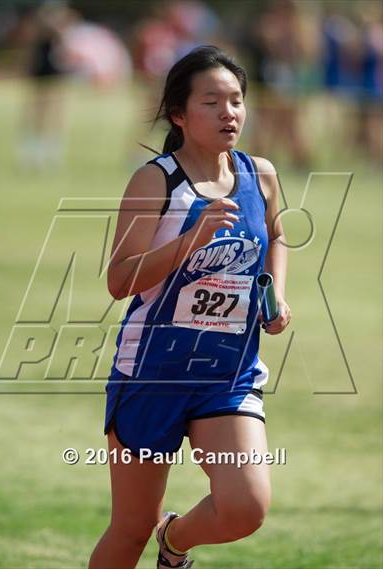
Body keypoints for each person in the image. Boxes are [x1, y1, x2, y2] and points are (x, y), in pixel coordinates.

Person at [89, 45, 291, 569]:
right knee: (129, 530)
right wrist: (189, 241)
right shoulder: (156, 181)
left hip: (228, 372)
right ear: (179, 114)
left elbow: (276, 235)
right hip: (153, 372)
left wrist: (276, 295)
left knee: (246, 507)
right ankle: (153, 538)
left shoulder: (260, 174)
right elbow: (119, 280)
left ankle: (174, 542)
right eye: (212, 102)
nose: (230, 113)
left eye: (237, 100)